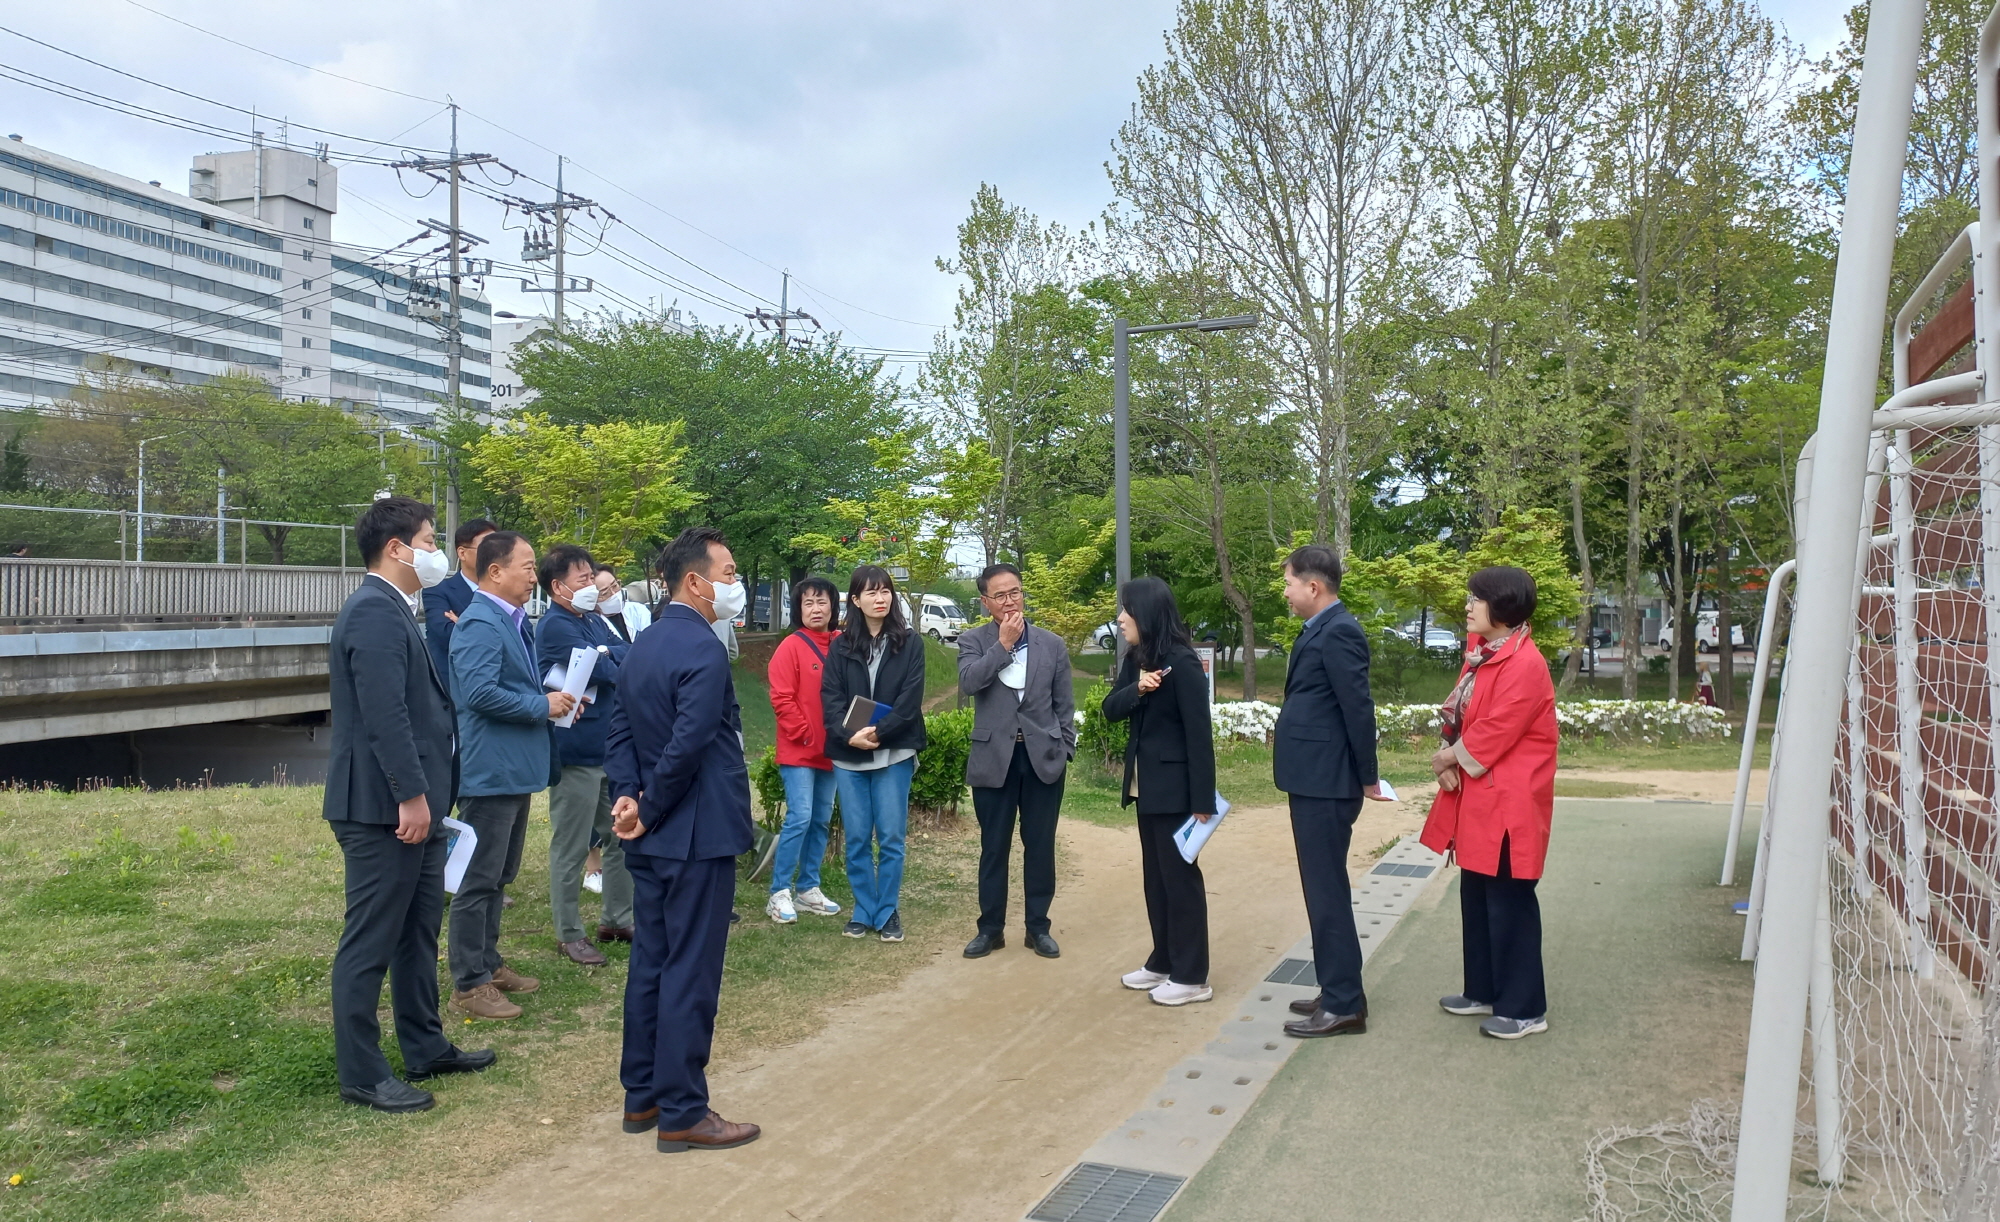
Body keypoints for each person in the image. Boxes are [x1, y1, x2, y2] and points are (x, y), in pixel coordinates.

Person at [324, 496, 492, 1113]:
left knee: (418, 932)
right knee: (371, 939)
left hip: (414, 807)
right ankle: (363, 1073)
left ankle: (425, 1045)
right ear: (396, 548)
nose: (434, 551)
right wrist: (412, 797)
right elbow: (384, 716)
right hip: (382, 809)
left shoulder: (400, 608)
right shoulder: (373, 610)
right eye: (427, 539)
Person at [606, 526, 760, 1152]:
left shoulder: (641, 644)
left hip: (651, 834)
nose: (734, 585)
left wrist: (627, 795)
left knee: (652, 965)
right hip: (693, 834)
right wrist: (648, 803)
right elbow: (690, 742)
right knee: (690, 973)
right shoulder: (701, 648)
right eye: (727, 574)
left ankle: (642, 1098)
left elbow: (618, 727)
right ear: (694, 582)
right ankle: (684, 1110)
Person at [1420, 566, 1558, 1040]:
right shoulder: (1485, 654)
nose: (1467, 605)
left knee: (1509, 898)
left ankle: (1524, 1008)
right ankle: (1482, 989)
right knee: (1477, 893)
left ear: (1502, 607)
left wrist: (1449, 758)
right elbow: (1464, 719)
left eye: (1476, 598)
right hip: (1484, 795)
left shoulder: (1524, 663)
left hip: (1510, 801)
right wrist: (1453, 756)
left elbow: (1496, 730)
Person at [448, 530, 574, 1021]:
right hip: (490, 771)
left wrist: (555, 701)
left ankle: (488, 962)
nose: (532, 573)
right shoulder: (481, 621)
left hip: (514, 768)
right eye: (525, 564)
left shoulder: (513, 620)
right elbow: (478, 693)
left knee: (500, 875)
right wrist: (539, 705)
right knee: (479, 879)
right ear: (494, 571)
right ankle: (469, 983)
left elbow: (511, 685)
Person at [1272, 544, 1390, 1038]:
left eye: (1289, 582)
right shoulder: (1320, 628)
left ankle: (1344, 1005)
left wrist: (1368, 776)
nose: (1286, 591)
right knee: (1321, 890)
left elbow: (1357, 710)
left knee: (1326, 893)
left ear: (1313, 586)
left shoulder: (1339, 631)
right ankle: (1338, 988)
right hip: (1312, 778)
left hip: (1327, 781)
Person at [1102, 577, 1216, 1006]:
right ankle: (1163, 961)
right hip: (1145, 788)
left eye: (1126, 610)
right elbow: (1110, 709)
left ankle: (1192, 976)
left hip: (1178, 792)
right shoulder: (1138, 658)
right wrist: (1138, 688)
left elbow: (1198, 736)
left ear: (1146, 613)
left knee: (1180, 880)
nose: (1119, 618)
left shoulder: (1183, 663)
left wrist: (1202, 799)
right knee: (1156, 880)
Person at [956, 562, 1076, 959]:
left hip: (1042, 757)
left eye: (1015, 592)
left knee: (1040, 846)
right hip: (994, 759)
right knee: (994, 847)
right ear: (985, 602)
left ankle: (1038, 928)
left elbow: (1064, 705)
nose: (1010, 602)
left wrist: (1065, 749)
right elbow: (970, 683)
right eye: (1000, 596)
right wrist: (1003, 645)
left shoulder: (1052, 644)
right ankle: (990, 929)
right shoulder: (973, 641)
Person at [535, 544, 635, 967]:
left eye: (591, 576)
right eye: (582, 578)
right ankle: (568, 932)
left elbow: (630, 655)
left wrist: (607, 654)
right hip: (576, 751)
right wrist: (607, 658)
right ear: (558, 587)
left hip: (610, 747)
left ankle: (617, 918)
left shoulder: (592, 620)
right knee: (572, 845)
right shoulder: (555, 625)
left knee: (621, 837)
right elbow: (605, 670)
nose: (592, 585)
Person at [820, 565, 928, 943]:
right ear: (855, 600)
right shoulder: (840, 645)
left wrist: (878, 733)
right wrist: (850, 736)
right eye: (871, 593)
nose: (880, 599)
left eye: (885, 592)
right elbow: (830, 698)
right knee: (858, 838)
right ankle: (863, 909)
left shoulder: (910, 642)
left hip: (893, 752)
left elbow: (910, 700)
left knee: (892, 837)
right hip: (849, 754)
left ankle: (887, 912)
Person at [764, 575, 844, 924]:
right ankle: (778, 892)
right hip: (800, 750)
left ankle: (808, 887)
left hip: (833, 751)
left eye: (821, 601)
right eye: (808, 602)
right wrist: (806, 734)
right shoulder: (791, 646)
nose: (815, 608)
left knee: (822, 819)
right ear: (798, 608)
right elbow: (781, 697)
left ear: (833, 606)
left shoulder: (842, 644)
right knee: (800, 817)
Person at [422, 518, 496, 686]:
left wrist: (463, 623)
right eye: (487, 548)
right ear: (462, 553)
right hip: (454, 689)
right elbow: (446, 635)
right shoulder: (437, 590)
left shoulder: (506, 594)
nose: (495, 554)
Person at [594, 563, 652, 643]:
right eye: (605, 593)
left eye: (615, 586)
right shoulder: (593, 624)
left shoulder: (638, 610)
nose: (614, 594)